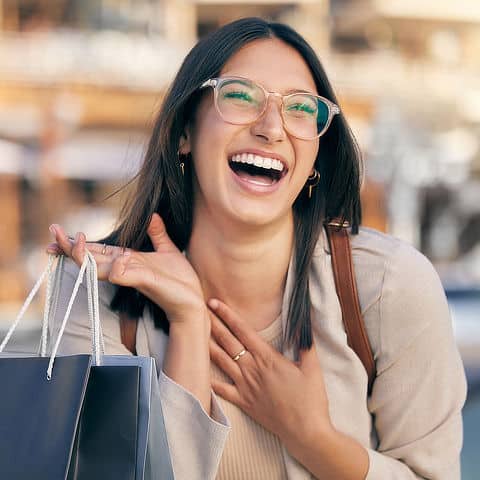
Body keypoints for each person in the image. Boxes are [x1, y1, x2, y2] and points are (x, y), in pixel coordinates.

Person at [47, 17, 466, 480]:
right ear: (185, 132)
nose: (272, 128)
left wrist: (313, 438)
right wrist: (188, 322)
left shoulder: (389, 286)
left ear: (314, 161)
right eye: (240, 96)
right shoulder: (96, 291)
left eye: (301, 109)